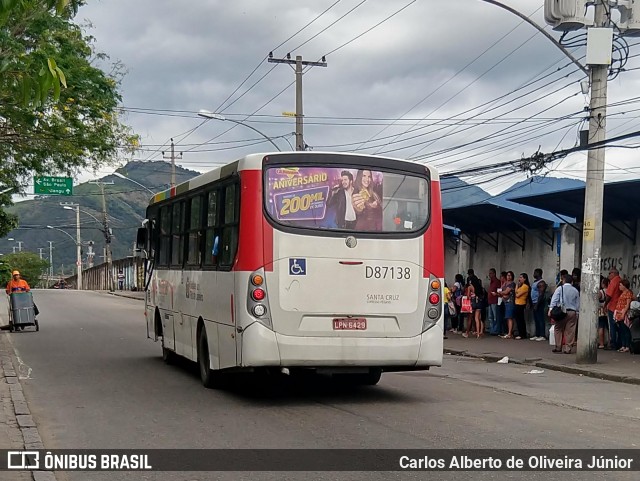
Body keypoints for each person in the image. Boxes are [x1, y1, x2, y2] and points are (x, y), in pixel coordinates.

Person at [548, 274, 580, 354]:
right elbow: (578, 303)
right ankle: (568, 348)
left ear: (563, 280)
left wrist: (551, 309)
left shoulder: (560, 288)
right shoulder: (575, 290)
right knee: (570, 330)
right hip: (572, 312)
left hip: (562, 312)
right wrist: (577, 312)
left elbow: (554, 299)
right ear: (571, 282)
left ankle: (558, 346)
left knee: (558, 328)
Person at [614, 279, 634, 353]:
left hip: (623, 313)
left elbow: (627, 304)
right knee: (621, 330)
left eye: (620, 285)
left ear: (624, 286)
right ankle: (623, 345)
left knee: (625, 330)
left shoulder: (628, 293)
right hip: (619, 314)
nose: (619, 286)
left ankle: (627, 346)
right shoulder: (622, 293)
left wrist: (623, 313)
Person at [605, 268, 622, 350]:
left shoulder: (613, 281)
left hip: (612, 306)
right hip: (620, 307)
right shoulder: (621, 281)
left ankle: (613, 344)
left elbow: (609, 295)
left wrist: (605, 304)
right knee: (619, 326)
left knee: (612, 326)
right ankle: (619, 343)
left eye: (609, 273)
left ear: (613, 274)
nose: (608, 275)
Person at [530, 268, 547, 341]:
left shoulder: (541, 283)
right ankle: (537, 334)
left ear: (539, 273)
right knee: (536, 319)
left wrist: (537, 304)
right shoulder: (535, 282)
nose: (533, 274)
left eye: (535, 272)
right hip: (534, 302)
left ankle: (542, 335)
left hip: (539, 302)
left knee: (540, 319)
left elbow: (541, 294)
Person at [500, 271, 516, 339]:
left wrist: (501, 292)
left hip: (510, 302)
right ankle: (508, 332)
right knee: (507, 317)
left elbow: (506, 291)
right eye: (507, 275)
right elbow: (501, 289)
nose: (508, 277)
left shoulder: (512, 284)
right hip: (505, 301)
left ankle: (510, 333)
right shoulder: (505, 283)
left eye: (510, 275)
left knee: (509, 317)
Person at [514, 273, 530, 340]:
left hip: (521, 304)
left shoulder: (525, 286)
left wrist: (517, 288)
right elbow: (516, 292)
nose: (519, 279)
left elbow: (517, 295)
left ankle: (522, 334)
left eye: (521, 277)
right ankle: (520, 333)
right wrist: (517, 286)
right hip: (517, 303)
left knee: (520, 319)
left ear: (524, 278)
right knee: (518, 319)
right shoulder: (521, 286)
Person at [487, 268, 501, 335]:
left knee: (495, 316)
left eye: (491, 273)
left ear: (494, 274)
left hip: (494, 300)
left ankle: (495, 330)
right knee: (490, 316)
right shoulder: (491, 282)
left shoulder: (497, 281)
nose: (489, 275)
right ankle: (491, 329)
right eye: (489, 273)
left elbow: (499, 291)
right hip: (490, 301)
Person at [597, 277, 610, 349]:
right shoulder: (610, 291)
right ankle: (609, 343)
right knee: (609, 328)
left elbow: (597, 299)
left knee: (601, 327)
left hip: (601, 311)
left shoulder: (601, 292)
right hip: (608, 310)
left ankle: (601, 343)